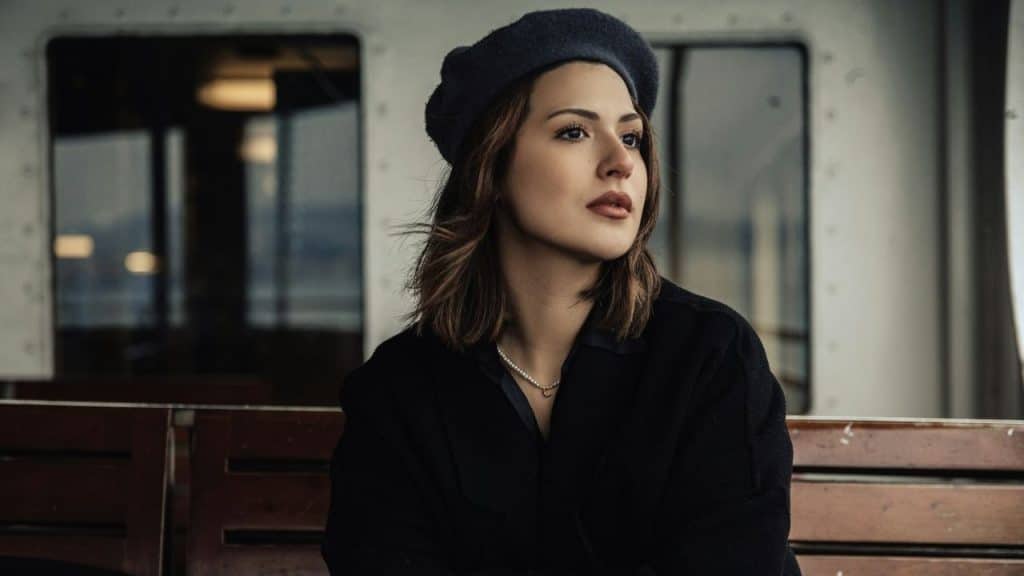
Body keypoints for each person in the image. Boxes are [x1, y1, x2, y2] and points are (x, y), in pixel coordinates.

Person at [322, 7, 802, 575]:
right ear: (491, 167)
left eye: (632, 136)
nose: (621, 162)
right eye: (574, 131)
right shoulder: (399, 391)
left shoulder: (708, 354)